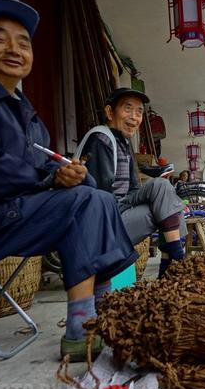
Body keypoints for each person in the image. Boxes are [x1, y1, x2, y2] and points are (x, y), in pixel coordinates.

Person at [0, 0, 138, 361]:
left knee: (94, 194)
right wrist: (50, 181)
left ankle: (104, 310)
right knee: (86, 200)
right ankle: (86, 325)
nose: (14, 49)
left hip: (7, 215)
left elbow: (41, 165)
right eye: (0, 39)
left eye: (24, 42)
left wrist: (68, 174)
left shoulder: (26, 113)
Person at [77, 88, 187, 278]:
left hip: (119, 213)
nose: (134, 117)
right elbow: (98, 199)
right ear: (110, 112)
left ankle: (169, 271)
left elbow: (134, 190)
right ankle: (176, 263)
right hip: (100, 229)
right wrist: (160, 199)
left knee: (169, 201)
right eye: (128, 109)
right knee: (164, 198)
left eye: (139, 112)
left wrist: (162, 199)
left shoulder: (123, 142)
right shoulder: (101, 139)